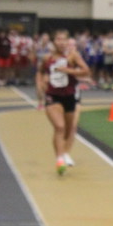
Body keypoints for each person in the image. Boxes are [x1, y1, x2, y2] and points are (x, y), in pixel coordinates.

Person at [35, 29, 91, 176]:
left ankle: (63, 153)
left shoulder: (73, 56)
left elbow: (86, 71)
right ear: (54, 41)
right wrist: (40, 84)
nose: (61, 42)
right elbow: (40, 71)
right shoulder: (47, 57)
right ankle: (59, 159)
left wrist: (68, 71)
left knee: (68, 129)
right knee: (59, 127)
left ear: (67, 41)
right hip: (52, 96)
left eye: (64, 39)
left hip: (69, 96)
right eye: (58, 39)